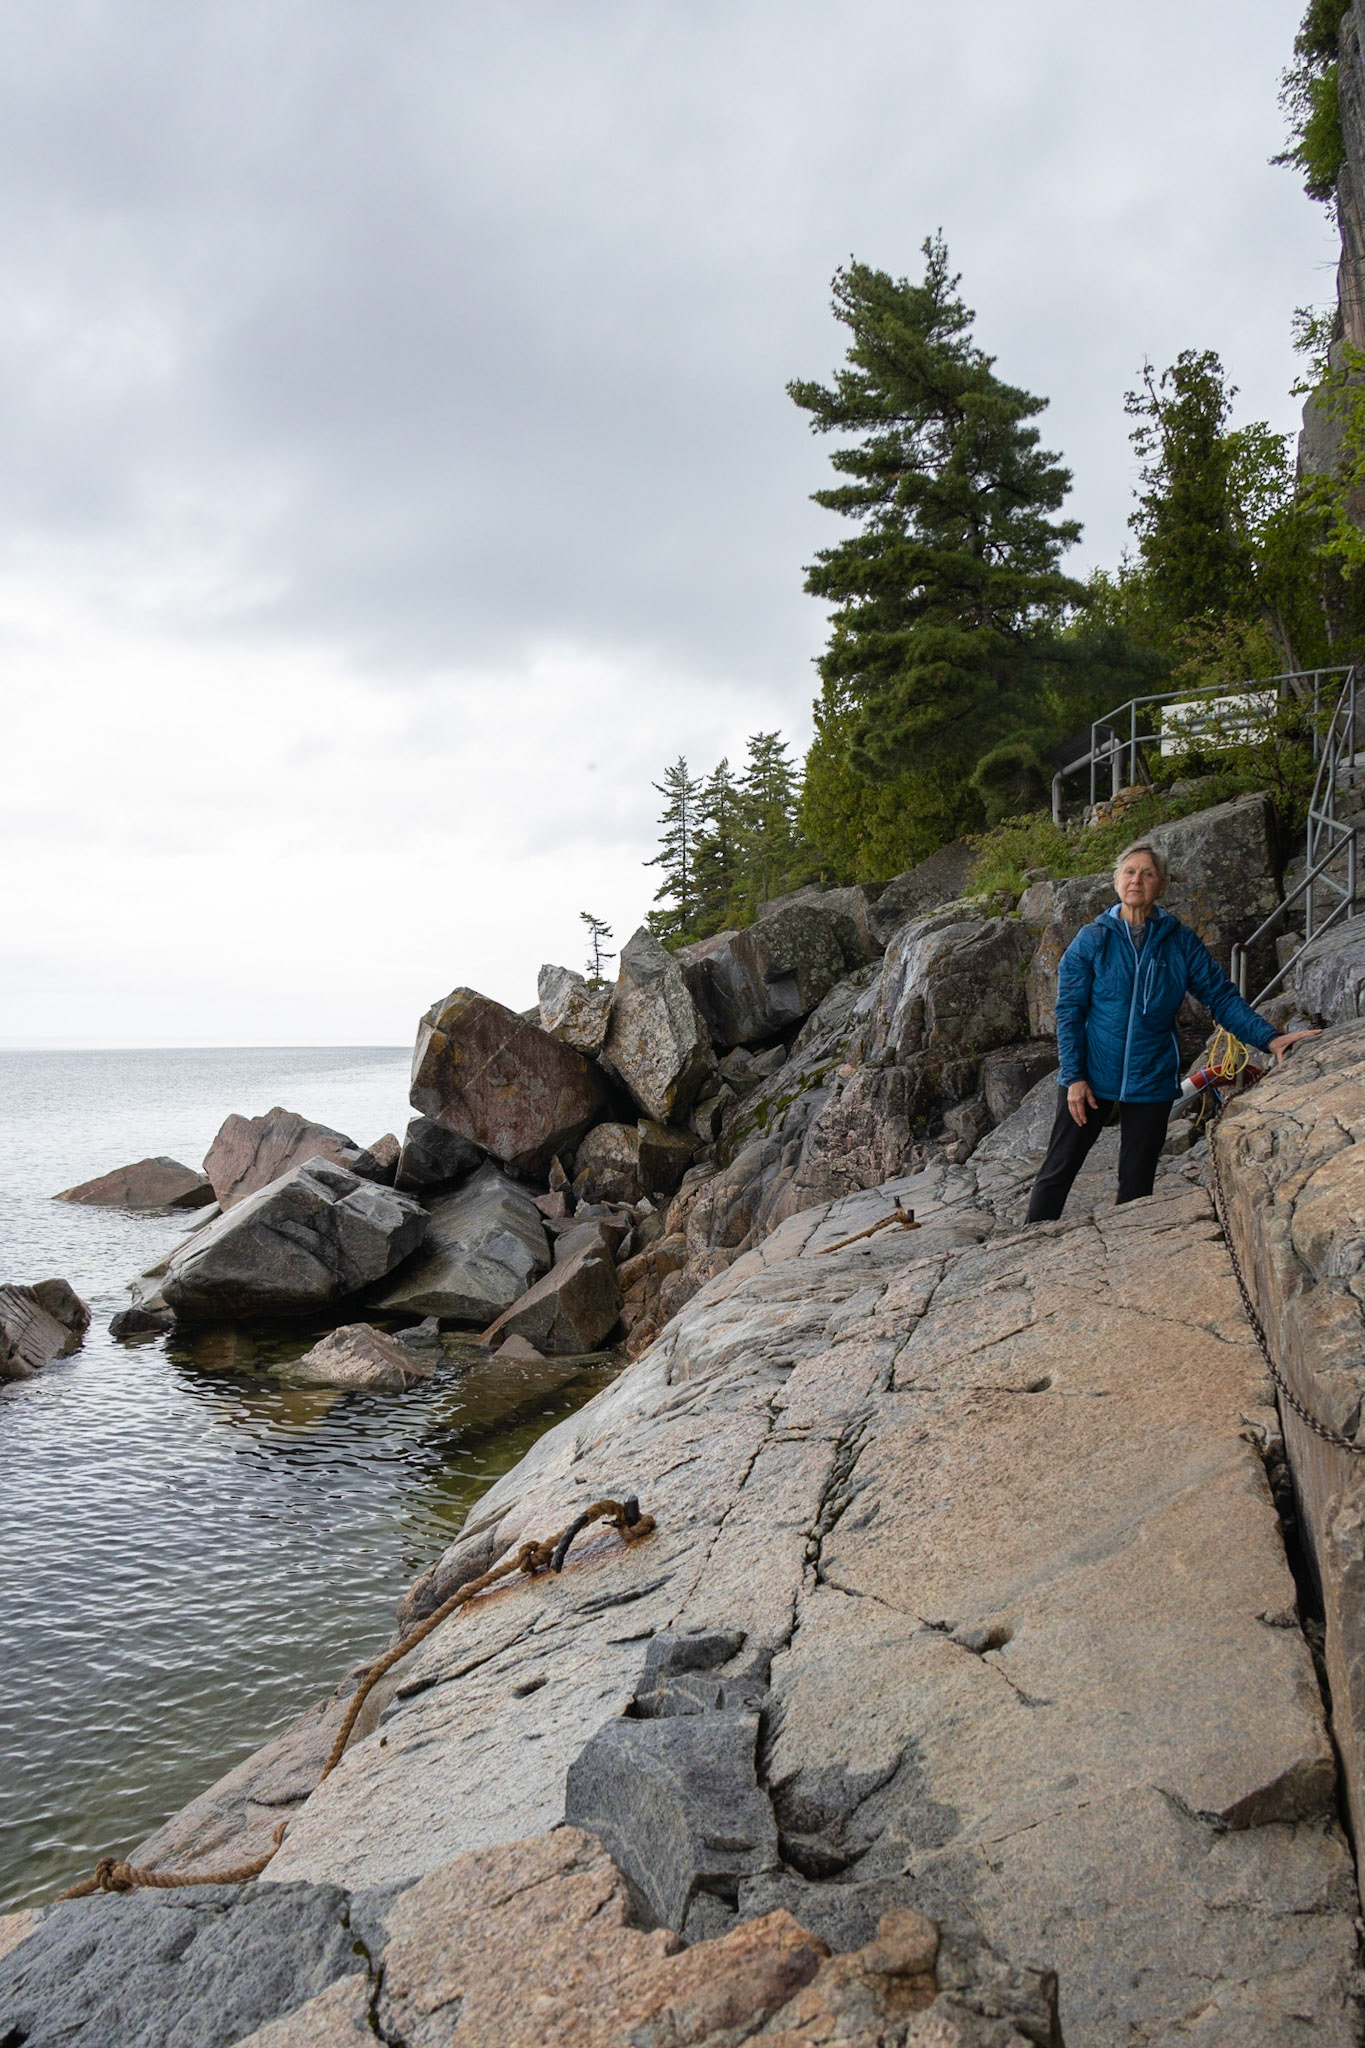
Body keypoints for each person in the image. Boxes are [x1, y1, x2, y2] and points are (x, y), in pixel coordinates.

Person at [1026, 838, 1320, 1223]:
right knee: (1057, 1173)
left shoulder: (1178, 941)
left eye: (1147, 874)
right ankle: (1032, 1242)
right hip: (1092, 1074)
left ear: (1161, 885)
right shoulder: (1093, 938)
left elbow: (1220, 996)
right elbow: (1068, 1011)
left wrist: (1270, 1037)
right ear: (1116, 882)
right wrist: (1074, 1076)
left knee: (1137, 1184)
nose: (1137, 880)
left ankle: (1130, 1259)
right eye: (1129, 872)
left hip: (1151, 1076)